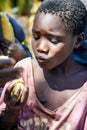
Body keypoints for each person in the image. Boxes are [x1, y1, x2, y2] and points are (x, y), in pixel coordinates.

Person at [1, 0, 87, 129]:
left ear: (78, 40)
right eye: (36, 36)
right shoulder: (23, 71)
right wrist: (11, 112)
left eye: (53, 40)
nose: (41, 47)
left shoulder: (83, 90)